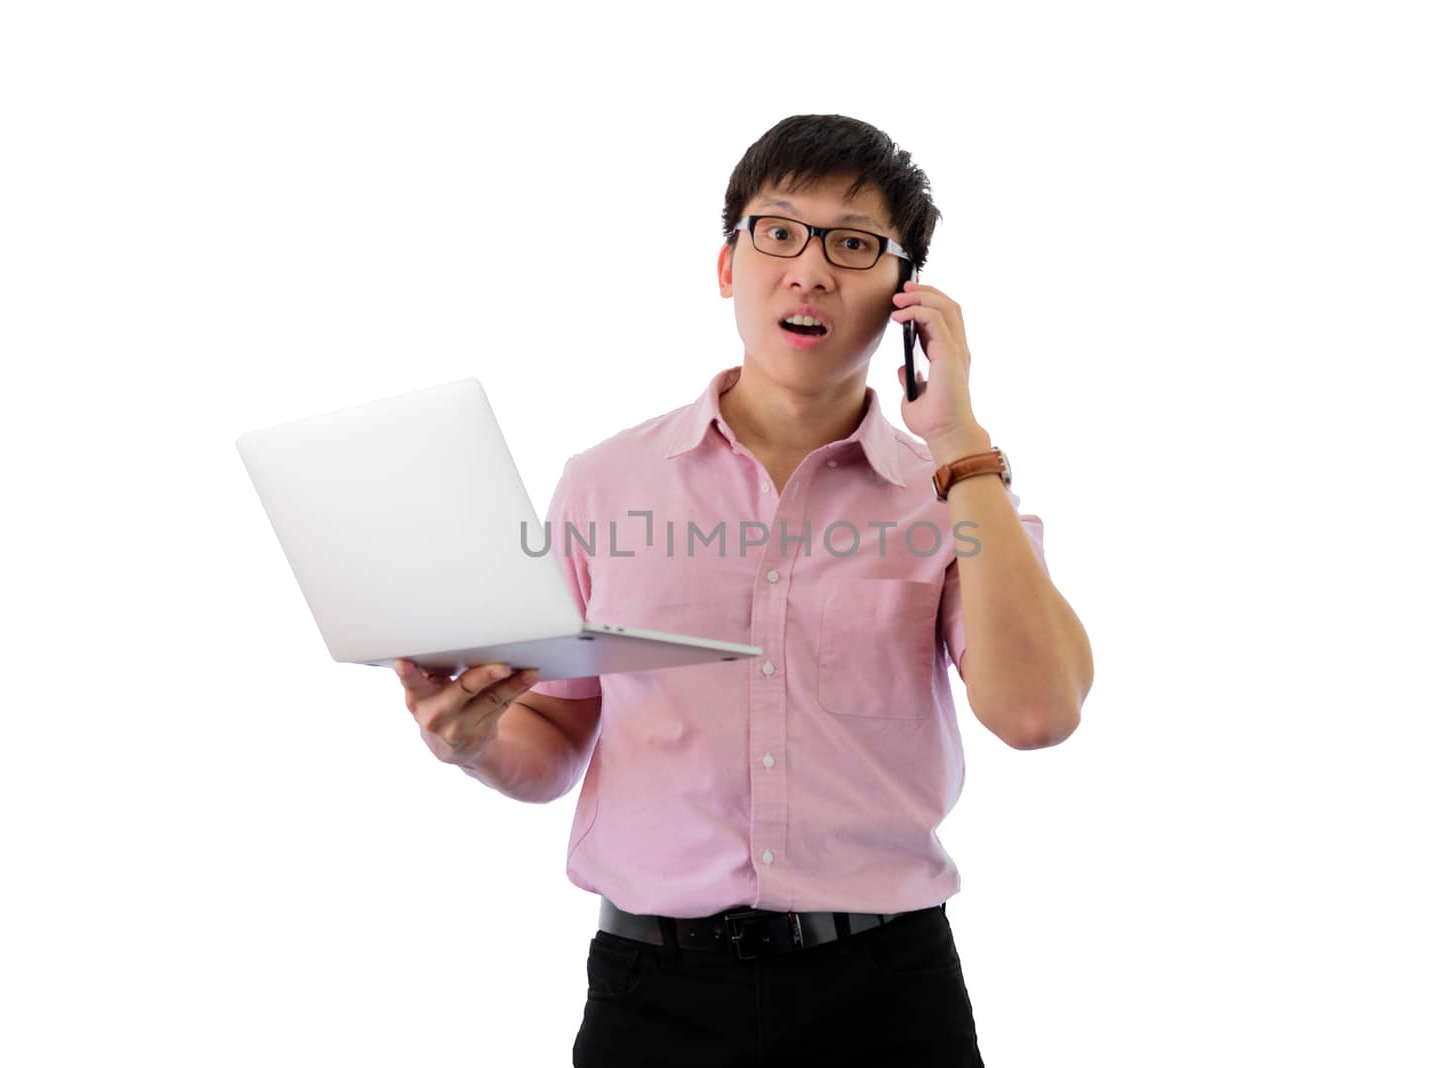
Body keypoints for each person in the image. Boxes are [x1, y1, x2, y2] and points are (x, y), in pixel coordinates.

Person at [394, 114, 1094, 1067]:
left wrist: (961, 442)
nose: (808, 270)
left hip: (888, 995)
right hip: (655, 997)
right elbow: (555, 735)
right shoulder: (607, 483)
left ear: (905, 295)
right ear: (728, 264)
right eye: (777, 231)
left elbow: (1038, 712)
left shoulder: (957, 493)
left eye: (853, 244)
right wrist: (472, 742)